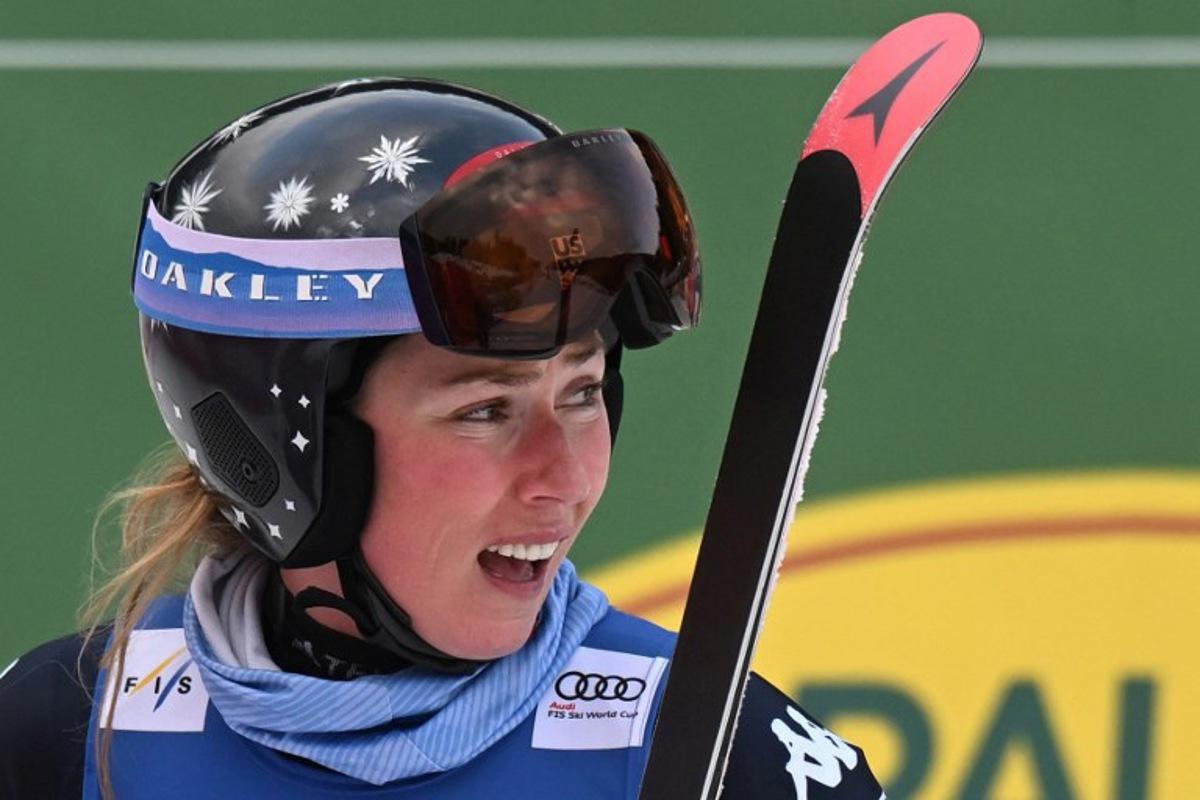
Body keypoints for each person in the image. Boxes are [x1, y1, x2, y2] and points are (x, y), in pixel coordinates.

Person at [0, 78, 884, 800]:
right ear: (279, 456)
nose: (565, 479)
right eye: (485, 410)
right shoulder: (68, 733)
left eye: (580, 394)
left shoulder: (715, 752)